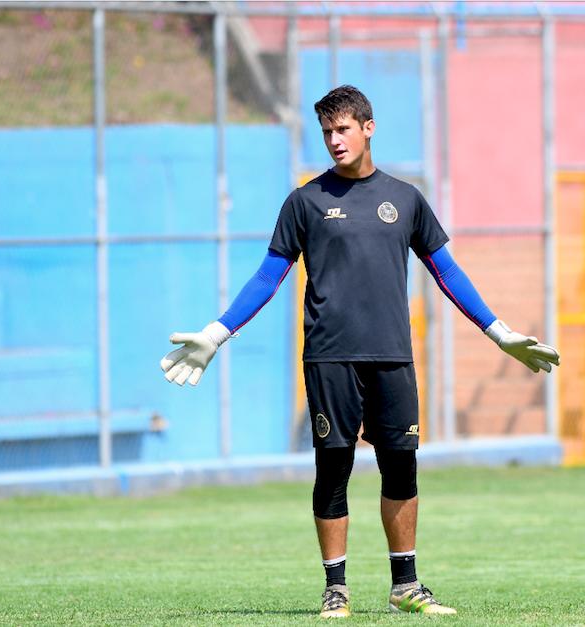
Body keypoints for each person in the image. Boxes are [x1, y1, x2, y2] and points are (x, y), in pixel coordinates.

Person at [160, 85, 560, 618]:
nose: (334, 140)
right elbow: (269, 276)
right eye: (326, 132)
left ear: (368, 128)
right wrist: (217, 330)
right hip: (330, 357)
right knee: (334, 467)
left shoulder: (407, 198)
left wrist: (497, 330)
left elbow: (446, 271)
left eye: (342, 129)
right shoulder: (305, 201)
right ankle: (336, 588)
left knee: (402, 468)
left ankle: (406, 586)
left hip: (392, 354)